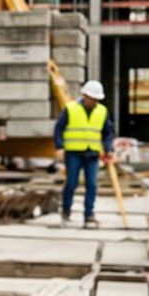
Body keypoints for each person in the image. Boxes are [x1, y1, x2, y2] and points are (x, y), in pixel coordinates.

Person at [56, 79, 113, 228]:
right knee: (71, 183)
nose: (93, 101)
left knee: (92, 185)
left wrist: (109, 149)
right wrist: (59, 147)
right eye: (92, 98)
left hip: (92, 153)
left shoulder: (102, 111)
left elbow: (107, 133)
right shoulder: (71, 109)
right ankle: (66, 211)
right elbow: (59, 128)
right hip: (73, 153)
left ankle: (89, 214)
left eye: (96, 99)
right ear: (84, 95)